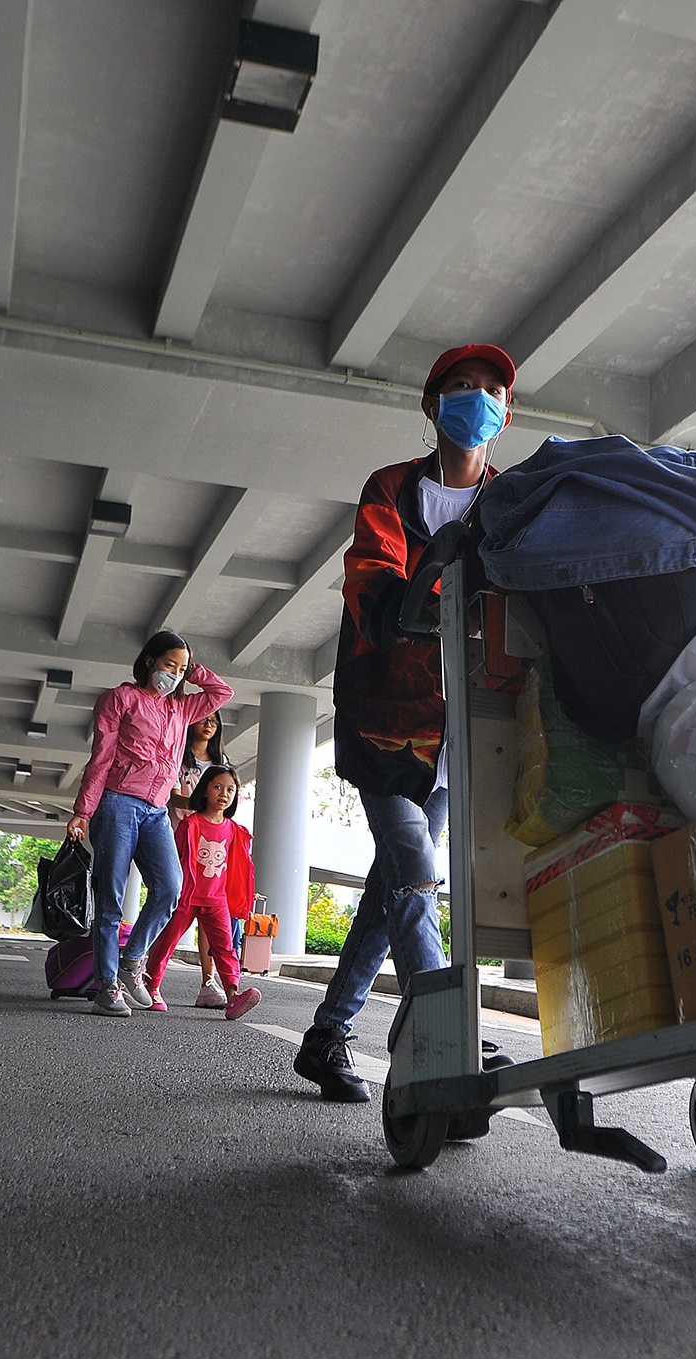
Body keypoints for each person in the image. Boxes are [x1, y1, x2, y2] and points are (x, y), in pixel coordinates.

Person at [292, 343, 513, 1101]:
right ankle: (447, 1032)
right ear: (432, 405)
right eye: (462, 386)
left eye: (491, 390)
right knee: (417, 873)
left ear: (505, 411)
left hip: (462, 730)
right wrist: (410, 603)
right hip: (387, 721)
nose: (477, 399)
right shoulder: (391, 487)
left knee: (394, 883)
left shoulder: (511, 503)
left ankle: (327, 1033)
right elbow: (374, 576)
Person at [66, 630, 232, 1018]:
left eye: (181, 669)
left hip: (156, 810)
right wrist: (83, 811)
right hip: (118, 803)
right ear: (149, 662)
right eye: (169, 665)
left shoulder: (182, 709)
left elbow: (222, 693)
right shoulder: (120, 699)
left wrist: (196, 672)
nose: (174, 674)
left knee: (171, 888)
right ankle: (107, 986)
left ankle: (131, 960)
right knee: (111, 897)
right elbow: (101, 758)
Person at [138, 766, 261, 1021]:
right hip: (187, 897)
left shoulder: (234, 830)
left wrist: (244, 894)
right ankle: (152, 986)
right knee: (167, 943)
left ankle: (233, 996)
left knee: (225, 948)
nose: (224, 794)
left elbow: (238, 868)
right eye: (218, 787)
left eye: (230, 790)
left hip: (217, 900)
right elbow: (174, 861)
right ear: (204, 790)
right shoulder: (189, 825)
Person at [168, 712, 234, 1008]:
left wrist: (215, 809)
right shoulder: (176, 756)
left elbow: (228, 800)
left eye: (214, 721)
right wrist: (202, 804)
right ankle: (146, 971)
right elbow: (171, 797)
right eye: (203, 719)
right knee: (172, 907)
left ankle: (209, 982)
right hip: (179, 838)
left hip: (213, 843)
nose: (209, 725)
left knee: (210, 911)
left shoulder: (222, 761)